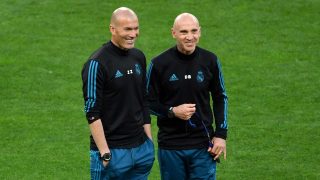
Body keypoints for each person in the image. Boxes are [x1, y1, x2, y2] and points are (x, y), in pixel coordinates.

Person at [147, 13, 228, 179]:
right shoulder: (159, 64)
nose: (190, 37)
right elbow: (146, 102)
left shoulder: (210, 60)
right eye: (184, 32)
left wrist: (220, 135)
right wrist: (172, 111)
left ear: (200, 32)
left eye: (194, 31)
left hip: (203, 145)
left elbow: (220, 97)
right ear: (173, 33)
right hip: (170, 146)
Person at [81, 7, 154, 179]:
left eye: (136, 28)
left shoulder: (138, 57)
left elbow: (143, 99)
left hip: (141, 149)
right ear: (112, 29)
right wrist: (105, 153)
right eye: (127, 29)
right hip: (112, 152)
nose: (133, 34)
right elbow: (92, 112)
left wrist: (149, 142)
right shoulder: (96, 63)